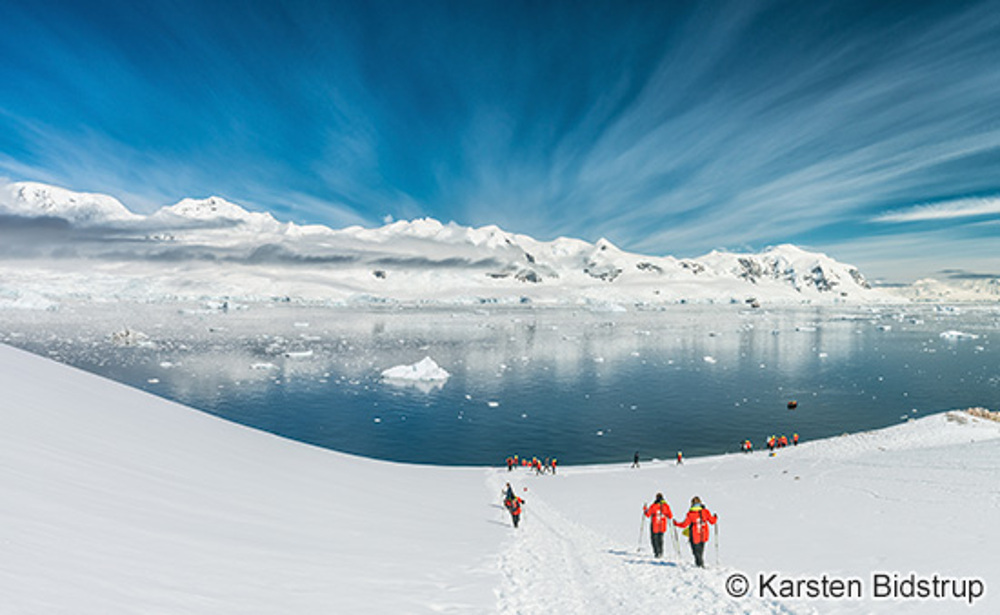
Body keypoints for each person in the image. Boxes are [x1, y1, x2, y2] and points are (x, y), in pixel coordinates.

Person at [674, 496, 718, 568]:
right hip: (704, 534)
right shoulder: (705, 512)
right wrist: (715, 517)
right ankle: (700, 564)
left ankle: (699, 565)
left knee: (696, 552)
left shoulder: (691, 514)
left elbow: (684, 524)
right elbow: (712, 521)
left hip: (694, 535)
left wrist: (676, 524)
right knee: (700, 551)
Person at [643, 493, 673, 558]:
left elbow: (648, 514)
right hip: (662, 525)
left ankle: (657, 552)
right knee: (660, 539)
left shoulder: (654, 506)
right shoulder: (666, 506)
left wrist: (645, 509)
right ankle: (661, 552)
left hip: (655, 525)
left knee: (654, 539)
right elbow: (670, 516)